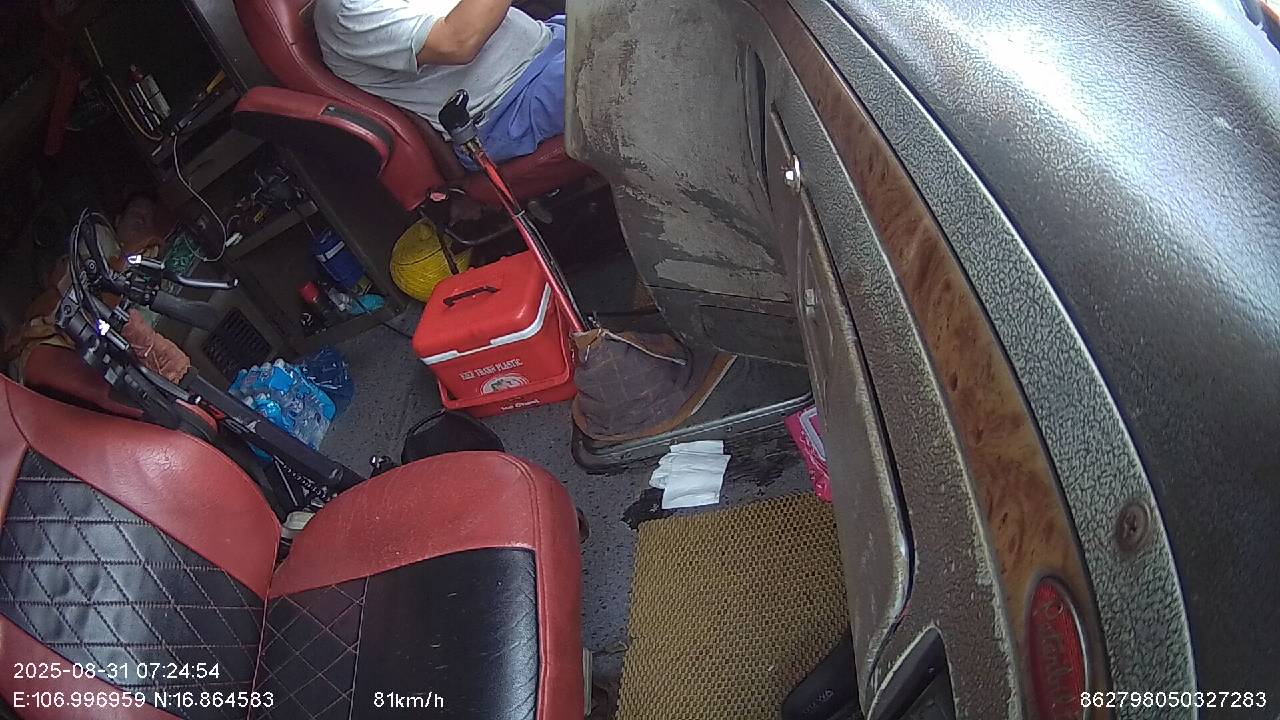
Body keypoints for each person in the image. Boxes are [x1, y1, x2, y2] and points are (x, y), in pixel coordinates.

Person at [315, 0, 566, 166]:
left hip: (551, 41)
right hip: (510, 108)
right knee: (593, 62)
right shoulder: (346, 11)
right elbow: (457, 42)